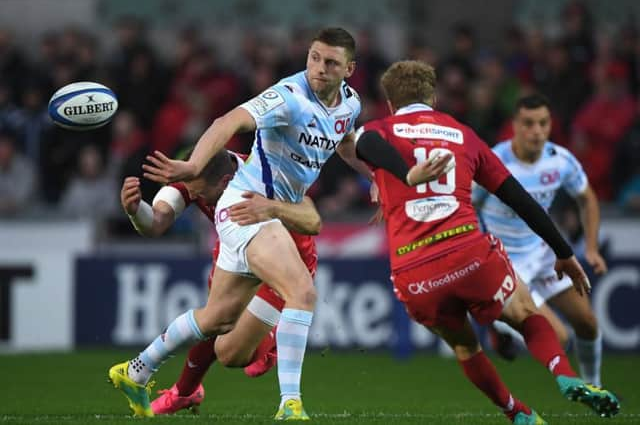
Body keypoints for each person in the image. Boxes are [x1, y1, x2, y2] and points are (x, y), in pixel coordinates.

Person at [109, 27, 370, 420]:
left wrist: (376, 178)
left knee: (218, 321)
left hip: (263, 215)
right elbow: (227, 120)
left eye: (330, 62)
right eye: (314, 57)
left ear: (348, 69)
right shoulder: (288, 96)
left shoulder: (350, 104)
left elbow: (345, 142)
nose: (318, 68)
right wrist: (193, 166)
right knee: (303, 293)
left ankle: (136, 369)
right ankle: (290, 404)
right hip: (249, 207)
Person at [353, 60, 619, 423]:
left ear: (388, 103)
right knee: (526, 315)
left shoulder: (380, 128)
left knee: (464, 346)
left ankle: (518, 413)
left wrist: (401, 176)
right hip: (468, 252)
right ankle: (565, 376)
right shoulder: (463, 134)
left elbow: (363, 141)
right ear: (433, 96)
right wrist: (564, 252)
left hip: (414, 271)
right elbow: (519, 198)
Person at [119, 148, 320, 415]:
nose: (196, 197)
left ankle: (273, 349)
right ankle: (177, 388)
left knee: (230, 353)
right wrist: (135, 211)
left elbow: (312, 219)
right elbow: (156, 222)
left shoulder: (265, 173)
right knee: (215, 322)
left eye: (200, 193)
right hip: (236, 243)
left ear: (226, 182)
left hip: (287, 260)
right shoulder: (196, 175)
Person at [473, 94, 608, 388]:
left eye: (543, 123)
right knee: (559, 337)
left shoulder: (560, 161)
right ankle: (502, 326)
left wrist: (592, 247)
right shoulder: (493, 161)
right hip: (506, 262)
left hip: (543, 255)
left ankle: (594, 387)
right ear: (515, 126)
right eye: (529, 123)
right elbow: (466, 204)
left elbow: (587, 198)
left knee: (588, 323)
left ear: (550, 126)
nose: (536, 130)